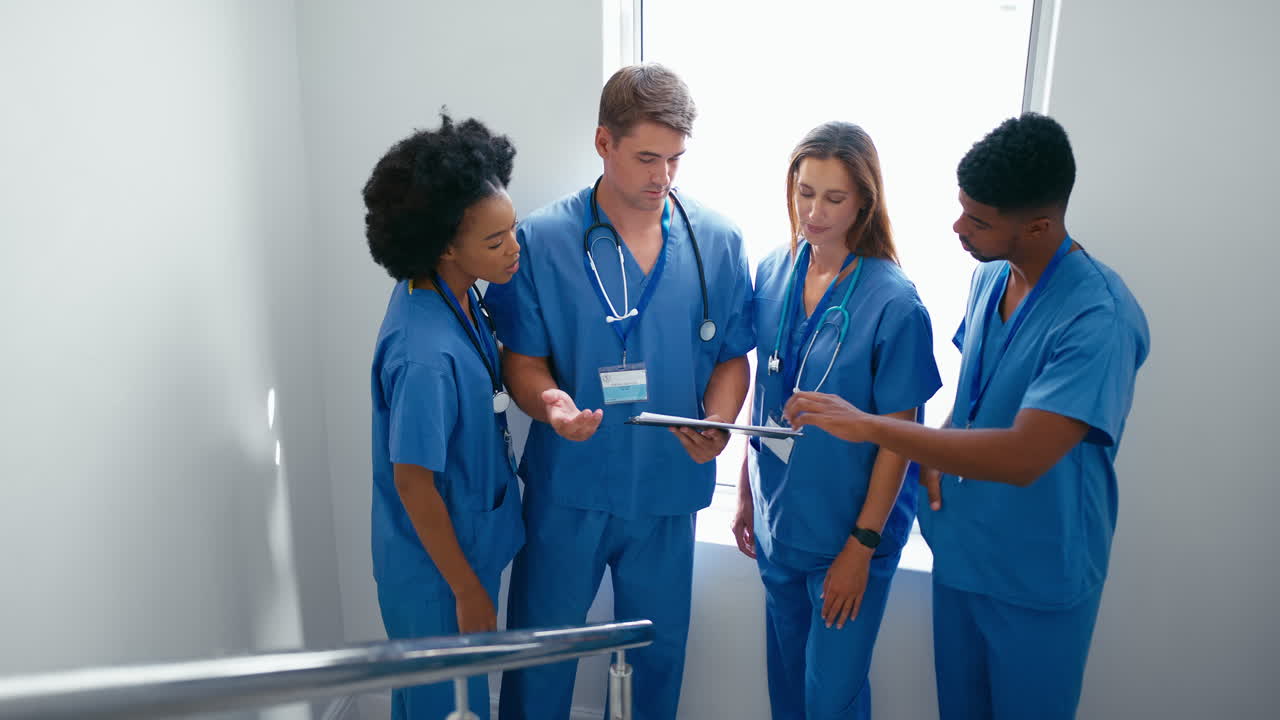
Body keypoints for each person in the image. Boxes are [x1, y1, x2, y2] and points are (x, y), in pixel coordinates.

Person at [783, 113, 1150, 719]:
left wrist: (870, 425)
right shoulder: (990, 279)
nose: (958, 227)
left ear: (1038, 226)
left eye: (978, 219)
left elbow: (1022, 456)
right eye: (962, 208)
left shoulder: (1098, 319)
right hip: (962, 555)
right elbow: (977, 398)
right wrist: (938, 451)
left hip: (1037, 575)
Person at [485, 64, 754, 720]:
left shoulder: (715, 242)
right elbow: (523, 361)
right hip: (569, 490)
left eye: (675, 159)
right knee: (541, 654)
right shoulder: (542, 243)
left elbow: (731, 358)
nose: (663, 177)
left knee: (654, 661)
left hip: (665, 493)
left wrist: (718, 422)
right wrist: (550, 404)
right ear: (603, 143)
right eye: (646, 158)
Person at [731, 121, 941, 719]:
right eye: (804, 192)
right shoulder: (774, 271)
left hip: (848, 536)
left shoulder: (895, 304)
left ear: (864, 203)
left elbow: (899, 441)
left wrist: (861, 548)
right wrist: (745, 493)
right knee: (788, 689)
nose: (813, 211)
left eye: (834, 198)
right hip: (780, 521)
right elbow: (766, 388)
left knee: (831, 698)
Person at [364, 114, 525, 720]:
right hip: (437, 576)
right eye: (495, 242)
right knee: (445, 709)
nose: (514, 250)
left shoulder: (448, 292)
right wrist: (465, 588)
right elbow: (413, 481)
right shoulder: (424, 356)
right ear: (444, 247)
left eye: (512, 231)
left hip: (468, 544)